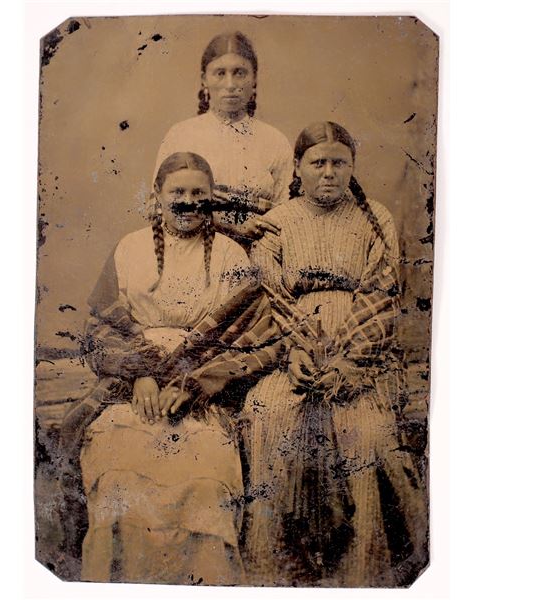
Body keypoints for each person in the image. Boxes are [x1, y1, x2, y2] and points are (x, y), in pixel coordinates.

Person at [75, 152, 281, 584]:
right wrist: (141, 373)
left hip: (201, 384)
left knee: (204, 487)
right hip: (134, 381)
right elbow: (102, 327)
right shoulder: (129, 248)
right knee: (118, 481)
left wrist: (196, 382)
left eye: (198, 194)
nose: (188, 202)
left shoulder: (230, 254)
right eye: (177, 193)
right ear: (158, 195)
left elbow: (245, 331)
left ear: (211, 200)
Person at [240, 122, 428, 586]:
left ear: (352, 167)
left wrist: (347, 361)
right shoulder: (278, 220)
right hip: (293, 352)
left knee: (364, 432)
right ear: (299, 168)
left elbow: (382, 296)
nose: (328, 173)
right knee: (268, 413)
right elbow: (269, 295)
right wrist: (294, 352)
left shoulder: (374, 218)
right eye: (317, 163)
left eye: (339, 163)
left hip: (359, 358)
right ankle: (272, 570)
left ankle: (358, 574)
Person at [153, 31, 292, 247]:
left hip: (261, 251)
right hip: (194, 248)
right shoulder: (181, 136)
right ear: (204, 80)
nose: (230, 84)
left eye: (240, 73)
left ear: (254, 79)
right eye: (220, 73)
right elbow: (159, 206)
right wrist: (231, 228)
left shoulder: (275, 141)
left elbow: (288, 211)